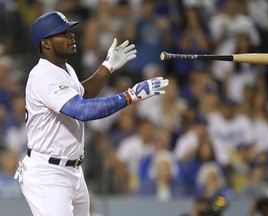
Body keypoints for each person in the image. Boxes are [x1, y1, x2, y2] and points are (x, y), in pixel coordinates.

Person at [13, 11, 169, 216]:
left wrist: (107, 67)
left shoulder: (64, 68)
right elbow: (82, 110)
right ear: (46, 44)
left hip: (72, 170)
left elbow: (82, 95)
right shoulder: (43, 75)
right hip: (48, 174)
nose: (71, 35)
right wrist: (131, 95)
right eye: (62, 33)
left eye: (69, 30)